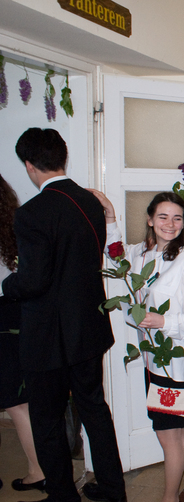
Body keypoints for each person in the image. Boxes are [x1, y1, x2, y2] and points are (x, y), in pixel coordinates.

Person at [1, 128, 126, 502]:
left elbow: (34, 280)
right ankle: (113, 489)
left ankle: (62, 495)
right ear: (62, 158)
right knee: (95, 411)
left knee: (48, 419)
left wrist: (9, 285)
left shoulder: (30, 214)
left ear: (29, 165)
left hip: (47, 338)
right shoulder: (91, 202)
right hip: (88, 329)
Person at [89, 190, 184, 502]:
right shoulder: (140, 254)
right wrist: (110, 217)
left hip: (175, 364)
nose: (170, 224)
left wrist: (162, 321)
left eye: (177, 218)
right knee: (172, 431)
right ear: (150, 220)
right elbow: (115, 254)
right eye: (163, 216)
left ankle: (169, 498)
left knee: (167, 435)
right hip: (154, 360)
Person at [0, 174, 46, 494]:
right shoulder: (14, 226)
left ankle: (38, 470)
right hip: (16, 313)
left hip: (4, 316)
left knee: (16, 403)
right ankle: (39, 469)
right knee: (19, 401)